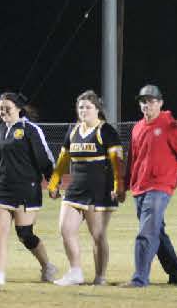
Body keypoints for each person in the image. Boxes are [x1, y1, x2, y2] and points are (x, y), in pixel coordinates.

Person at [125, 84, 177, 288]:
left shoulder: (170, 125)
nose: (146, 105)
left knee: (146, 233)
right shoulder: (137, 127)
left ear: (160, 103)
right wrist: (125, 185)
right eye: (143, 101)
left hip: (160, 187)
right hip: (140, 187)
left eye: (151, 101)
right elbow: (133, 159)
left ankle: (139, 278)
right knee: (157, 233)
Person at [0, 93, 58, 285]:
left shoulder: (30, 130)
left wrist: (52, 182)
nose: (3, 111)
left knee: (25, 234)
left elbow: (44, 158)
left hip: (26, 189)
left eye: (7, 107)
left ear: (19, 108)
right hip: (1, 189)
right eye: (1, 108)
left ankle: (47, 266)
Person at [48, 90, 126, 286]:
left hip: (99, 191)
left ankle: (100, 277)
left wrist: (119, 186)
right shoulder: (73, 130)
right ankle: (75, 272)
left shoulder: (106, 130)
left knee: (98, 235)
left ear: (97, 109)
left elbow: (117, 162)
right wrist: (54, 182)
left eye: (88, 107)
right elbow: (63, 160)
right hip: (75, 189)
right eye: (80, 107)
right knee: (66, 230)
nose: (83, 110)